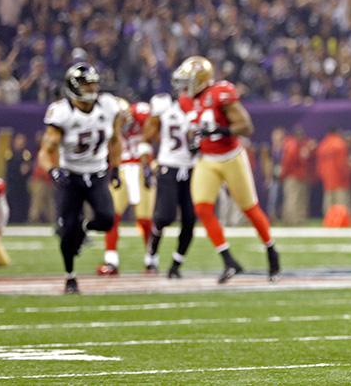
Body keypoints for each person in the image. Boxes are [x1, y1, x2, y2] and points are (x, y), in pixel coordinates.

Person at [179, 56, 280, 283]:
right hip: (207, 159)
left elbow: (246, 126)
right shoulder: (185, 101)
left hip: (231, 157)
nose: (184, 86)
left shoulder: (219, 94)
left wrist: (221, 130)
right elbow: (192, 129)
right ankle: (228, 260)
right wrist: (194, 140)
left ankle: (271, 252)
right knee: (203, 208)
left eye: (188, 80)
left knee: (249, 208)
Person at [37, 63, 122, 294]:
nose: (93, 87)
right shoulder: (63, 112)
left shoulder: (108, 106)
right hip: (71, 176)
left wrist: (116, 168)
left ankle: (85, 228)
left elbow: (116, 140)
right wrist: (53, 170)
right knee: (66, 232)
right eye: (87, 84)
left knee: (106, 219)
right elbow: (46, 150)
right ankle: (70, 276)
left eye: (94, 82)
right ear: (74, 87)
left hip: (96, 173)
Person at [143, 67, 198, 279]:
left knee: (190, 220)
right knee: (164, 216)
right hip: (168, 167)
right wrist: (150, 163)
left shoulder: (202, 107)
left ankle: (176, 264)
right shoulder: (164, 106)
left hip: (192, 169)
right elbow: (146, 138)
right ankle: (152, 252)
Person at [99, 98, 154, 275]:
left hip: (140, 167)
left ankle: (151, 259)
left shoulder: (142, 114)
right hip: (122, 168)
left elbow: (155, 130)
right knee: (111, 217)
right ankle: (111, 260)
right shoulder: (107, 123)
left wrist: (148, 165)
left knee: (145, 219)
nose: (121, 124)